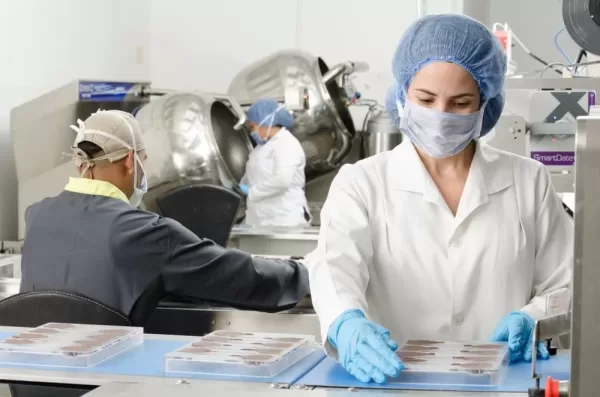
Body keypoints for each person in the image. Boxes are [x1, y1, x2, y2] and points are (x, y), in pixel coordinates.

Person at [306, 14, 573, 384]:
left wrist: (535, 316)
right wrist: (345, 322)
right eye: (426, 98)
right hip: (393, 384)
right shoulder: (362, 183)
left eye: (461, 102)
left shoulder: (529, 181)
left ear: (485, 102)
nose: (440, 116)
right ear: (402, 94)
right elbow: (335, 270)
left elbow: (567, 282)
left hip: (500, 384)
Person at [20, 109, 310, 321]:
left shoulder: (36, 217)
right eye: (145, 161)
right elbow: (239, 276)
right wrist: (306, 272)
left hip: (36, 382)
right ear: (132, 161)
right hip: (108, 384)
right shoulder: (144, 233)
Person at [239, 98, 311, 227]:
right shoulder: (261, 147)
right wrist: (240, 186)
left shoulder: (286, 143)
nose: (251, 132)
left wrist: (252, 191)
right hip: (261, 218)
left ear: (266, 122)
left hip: (284, 218)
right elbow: (254, 173)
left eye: (252, 127)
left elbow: (283, 180)